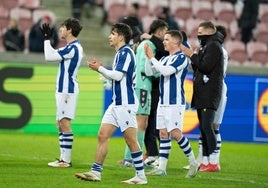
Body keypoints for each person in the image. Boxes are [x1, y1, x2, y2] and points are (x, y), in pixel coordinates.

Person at [75, 23, 147, 185]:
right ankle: (95, 172)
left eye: (113, 33)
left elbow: (118, 75)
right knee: (102, 135)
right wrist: (107, 80)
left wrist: (100, 69)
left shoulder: (126, 53)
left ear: (121, 37)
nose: (110, 36)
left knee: (131, 140)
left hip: (126, 104)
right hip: (116, 104)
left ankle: (141, 176)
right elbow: (120, 78)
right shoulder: (120, 53)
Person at [144, 30, 198, 178]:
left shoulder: (182, 58)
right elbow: (149, 72)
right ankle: (162, 168)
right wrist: (149, 59)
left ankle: (193, 163)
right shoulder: (164, 59)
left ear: (175, 42)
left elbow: (166, 72)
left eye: (167, 39)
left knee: (175, 133)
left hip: (175, 102)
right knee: (163, 133)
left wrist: (152, 58)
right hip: (163, 101)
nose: (164, 42)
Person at [120, 19, 168, 167]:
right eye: (165, 33)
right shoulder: (150, 45)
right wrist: (162, 73)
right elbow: (144, 68)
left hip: (139, 86)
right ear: (159, 31)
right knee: (141, 123)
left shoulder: (143, 44)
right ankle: (133, 159)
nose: (166, 37)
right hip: (143, 87)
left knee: (139, 123)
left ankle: (130, 158)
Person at [181, 21, 224, 172]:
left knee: (207, 127)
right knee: (204, 128)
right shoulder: (208, 46)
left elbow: (205, 67)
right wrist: (193, 57)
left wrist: (192, 55)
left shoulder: (214, 47)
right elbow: (198, 67)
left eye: (200, 33)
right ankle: (205, 161)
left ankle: (213, 161)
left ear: (208, 33)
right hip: (202, 93)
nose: (198, 36)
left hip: (209, 93)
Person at [40, 18, 83, 167]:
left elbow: (49, 56)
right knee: (59, 123)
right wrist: (48, 39)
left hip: (67, 90)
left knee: (64, 123)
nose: (60, 30)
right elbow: (52, 53)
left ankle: (66, 160)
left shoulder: (73, 48)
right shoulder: (70, 47)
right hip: (63, 89)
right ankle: (62, 158)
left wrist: (46, 39)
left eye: (63, 27)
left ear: (70, 30)